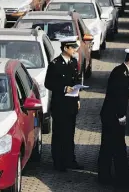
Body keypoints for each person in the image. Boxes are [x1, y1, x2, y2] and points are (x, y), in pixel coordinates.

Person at [98, 48, 129, 186]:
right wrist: (121, 117)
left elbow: (125, 89)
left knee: (116, 146)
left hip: (112, 115)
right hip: (112, 117)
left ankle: (120, 174)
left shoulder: (123, 71)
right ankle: (109, 176)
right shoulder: (120, 73)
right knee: (110, 147)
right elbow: (119, 97)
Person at [44, 36, 84, 172]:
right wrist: (63, 88)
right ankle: (58, 161)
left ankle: (70, 159)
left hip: (71, 104)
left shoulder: (73, 62)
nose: (75, 50)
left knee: (70, 133)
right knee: (59, 134)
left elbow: (76, 81)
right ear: (66, 48)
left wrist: (77, 99)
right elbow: (48, 83)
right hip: (60, 105)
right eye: (73, 48)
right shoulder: (55, 64)